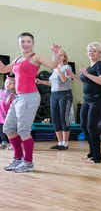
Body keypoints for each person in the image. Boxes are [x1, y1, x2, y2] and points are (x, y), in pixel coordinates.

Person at [1, 32, 60, 173]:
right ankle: (18, 158)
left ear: (33, 43)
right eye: (23, 42)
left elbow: (53, 65)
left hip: (30, 97)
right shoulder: (16, 60)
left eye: (28, 41)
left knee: (23, 130)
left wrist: (56, 53)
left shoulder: (36, 57)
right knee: (8, 128)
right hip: (18, 97)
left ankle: (28, 162)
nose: (25, 44)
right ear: (19, 43)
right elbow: (3, 70)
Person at [67, 42, 101, 164]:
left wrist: (87, 74)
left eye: (94, 51)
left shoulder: (100, 65)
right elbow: (85, 81)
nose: (91, 53)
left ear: (100, 54)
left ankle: (97, 156)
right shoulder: (90, 67)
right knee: (83, 125)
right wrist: (73, 75)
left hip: (97, 99)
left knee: (91, 127)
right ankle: (91, 152)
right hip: (87, 99)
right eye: (89, 51)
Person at [37, 50, 73, 150]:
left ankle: (65, 143)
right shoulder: (54, 69)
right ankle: (60, 142)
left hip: (65, 95)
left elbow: (66, 80)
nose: (59, 57)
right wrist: (40, 82)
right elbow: (51, 83)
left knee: (63, 118)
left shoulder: (67, 67)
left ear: (64, 58)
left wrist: (59, 70)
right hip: (54, 95)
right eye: (57, 55)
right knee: (55, 119)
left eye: (61, 55)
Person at [0, 77, 16, 149]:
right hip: (1, 115)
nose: (7, 85)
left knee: (10, 130)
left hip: (9, 115)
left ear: (14, 86)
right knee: (1, 129)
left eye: (10, 84)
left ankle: (13, 144)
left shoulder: (13, 96)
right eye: (6, 83)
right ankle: (4, 142)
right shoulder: (0, 92)